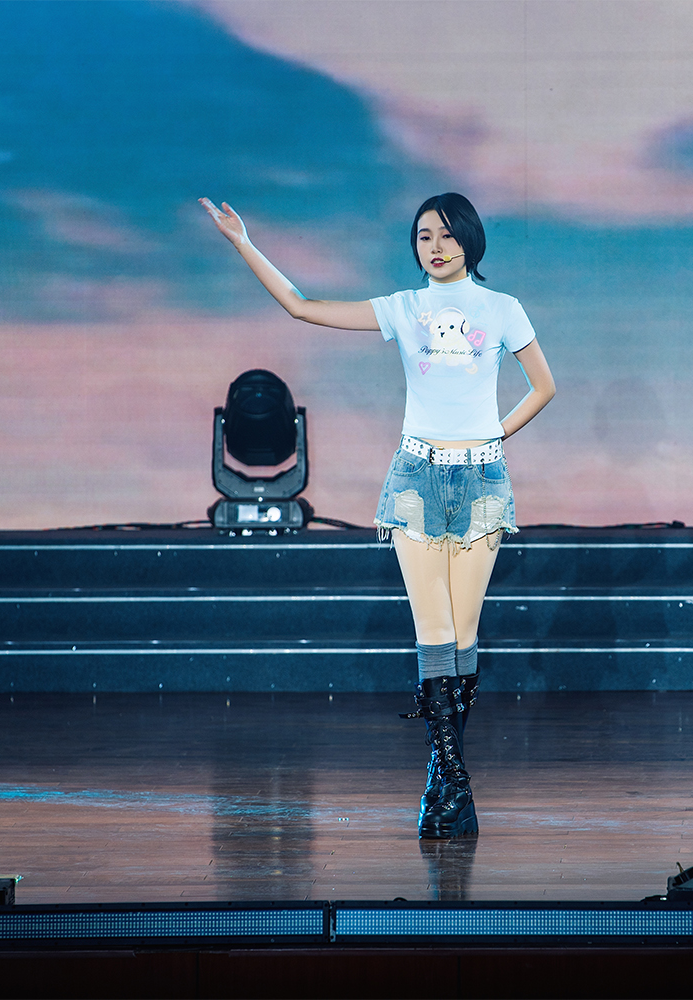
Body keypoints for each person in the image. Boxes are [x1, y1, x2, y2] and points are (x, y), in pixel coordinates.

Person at [200, 193, 556, 838]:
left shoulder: (503, 309)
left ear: (470, 240)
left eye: (447, 235)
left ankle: (443, 780)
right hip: (416, 478)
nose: (436, 247)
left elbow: (544, 386)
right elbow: (302, 306)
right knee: (434, 630)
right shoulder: (404, 308)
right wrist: (244, 243)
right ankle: (455, 781)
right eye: (424, 237)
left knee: (464, 634)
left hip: (481, 481)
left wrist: (493, 435)